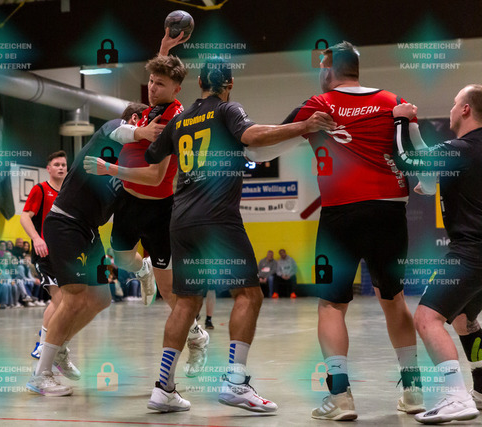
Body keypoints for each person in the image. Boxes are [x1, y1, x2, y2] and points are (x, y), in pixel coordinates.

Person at [85, 57, 335, 413]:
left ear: (199, 83)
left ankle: (163, 389)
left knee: (186, 302)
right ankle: (235, 382)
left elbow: (152, 154)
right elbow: (252, 136)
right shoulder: (228, 109)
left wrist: (137, 138)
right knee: (249, 294)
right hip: (218, 218)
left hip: (181, 220)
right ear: (229, 84)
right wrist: (304, 126)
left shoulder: (179, 119)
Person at [276, 41, 423, 420]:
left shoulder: (317, 105)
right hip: (390, 211)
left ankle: (340, 397)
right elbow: (415, 157)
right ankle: (413, 392)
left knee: (331, 305)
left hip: (339, 215)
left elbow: (262, 150)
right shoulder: (394, 101)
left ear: (329, 69)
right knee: (393, 299)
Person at [107, 30, 211, 378]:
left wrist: (111, 169)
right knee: (122, 258)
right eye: (150, 82)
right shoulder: (153, 105)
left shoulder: (173, 118)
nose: (152, 88)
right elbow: (161, 70)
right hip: (128, 202)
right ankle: (143, 270)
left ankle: (197, 337)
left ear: (176, 90)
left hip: (158, 209)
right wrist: (165, 46)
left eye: (160, 84)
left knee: (169, 292)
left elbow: (154, 177)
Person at [25, 102, 147, 397]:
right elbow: (119, 129)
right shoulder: (110, 134)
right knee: (74, 297)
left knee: (103, 298)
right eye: (147, 122)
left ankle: (60, 347)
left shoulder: (129, 167)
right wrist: (150, 132)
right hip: (65, 224)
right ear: (134, 119)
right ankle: (41, 375)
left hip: (91, 234)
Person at [392, 85, 482, 423]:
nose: (451, 107)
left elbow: (409, 160)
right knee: (463, 319)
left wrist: (402, 122)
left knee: (427, 319)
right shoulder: (467, 151)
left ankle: (456, 397)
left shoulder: (462, 147)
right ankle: (481, 389)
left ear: (466, 110)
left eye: (455, 102)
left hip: (470, 250)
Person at [20, 150, 68, 359]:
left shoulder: (68, 192)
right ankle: (42, 345)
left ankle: (52, 342)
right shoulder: (40, 189)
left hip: (65, 255)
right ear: (48, 169)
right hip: (45, 254)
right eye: (56, 164)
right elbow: (24, 217)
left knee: (68, 301)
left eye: (63, 165)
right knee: (59, 300)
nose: (61, 168)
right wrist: (36, 238)